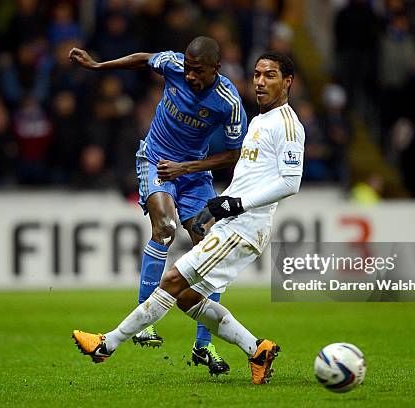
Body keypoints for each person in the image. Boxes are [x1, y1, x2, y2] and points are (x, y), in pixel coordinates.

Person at [72, 52, 305, 385]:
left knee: (171, 282)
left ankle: (107, 344)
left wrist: (234, 204)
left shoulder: (287, 125)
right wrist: (219, 207)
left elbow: (290, 182)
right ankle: (257, 349)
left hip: (244, 228)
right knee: (187, 298)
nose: (260, 82)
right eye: (257, 75)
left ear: (288, 81)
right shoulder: (260, 120)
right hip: (234, 224)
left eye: (270, 75)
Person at [68, 36, 246, 375]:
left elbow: (234, 154)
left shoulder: (229, 102)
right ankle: (144, 319)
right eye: (188, 69)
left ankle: (203, 345)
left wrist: (188, 168)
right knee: (164, 229)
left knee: (211, 251)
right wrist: (98, 65)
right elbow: (143, 57)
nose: (190, 76)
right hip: (157, 160)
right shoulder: (173, 64)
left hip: (192, 174)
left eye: (198, 71)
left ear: (216, 69)